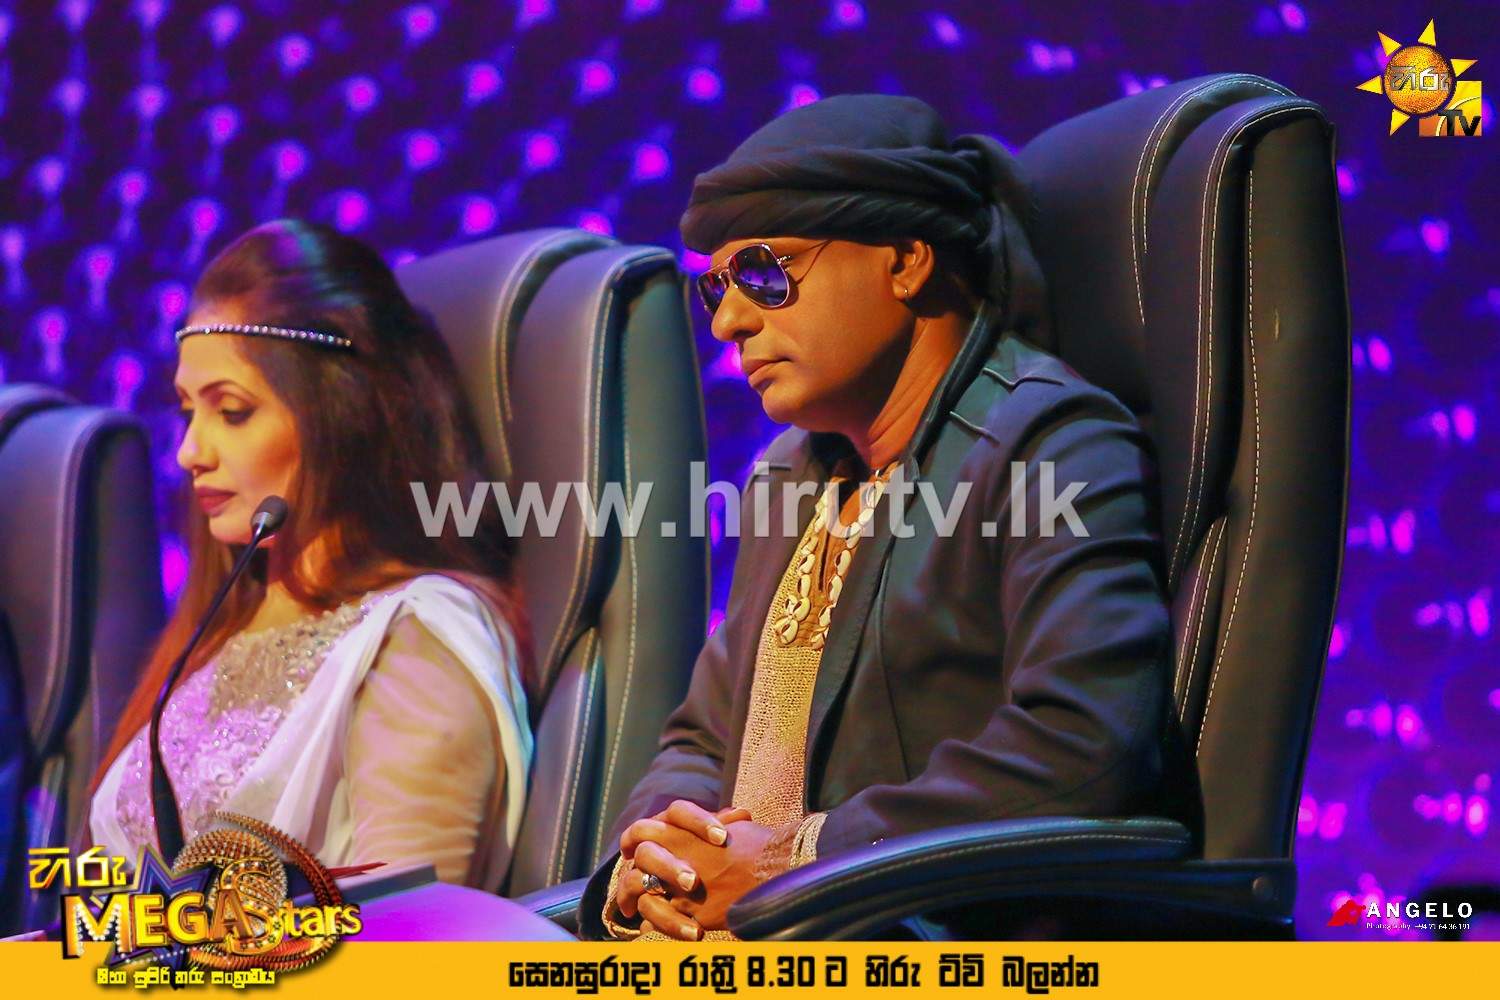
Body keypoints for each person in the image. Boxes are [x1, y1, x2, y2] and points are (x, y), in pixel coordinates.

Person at [579, 94, 1201, 940]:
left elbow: (1086, 746)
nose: (728, 321)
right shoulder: (789, 478)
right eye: (716, 288)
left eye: (763, 271)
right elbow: (701, 738)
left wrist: (799, 860)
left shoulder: (1051, 443)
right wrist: (658, 852)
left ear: (905, 261)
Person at [87, 219, 534, 893]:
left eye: (232, 412)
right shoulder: (218, 631)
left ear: (342, 417)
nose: (189, 453)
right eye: (187, 413)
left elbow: (411, 932)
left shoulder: (413, 636)